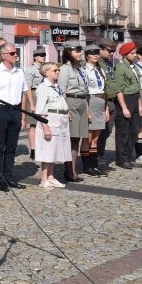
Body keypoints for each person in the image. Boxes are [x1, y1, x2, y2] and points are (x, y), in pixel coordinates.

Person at [0, 42, 28, 192]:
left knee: (11, 147)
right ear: (3, 56)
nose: (16, 55)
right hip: (1, 111)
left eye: (16, 53)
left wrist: (23, 117)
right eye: (12, 53)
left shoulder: (19, 72)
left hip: (15, 110)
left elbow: (24, 95)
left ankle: (9, 177)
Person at [33, 62, 68, 190]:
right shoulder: (43, 88)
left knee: (55, 151)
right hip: (49, 121)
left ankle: (51, 177)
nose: (57, 72)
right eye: (54, 70)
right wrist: (45, 127)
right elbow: (40, 110)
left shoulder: (56, 86)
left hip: (60, 121)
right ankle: (44, 178)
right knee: (47, 151)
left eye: (58, 70)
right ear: (46, 72)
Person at [57, 41, 89, 183]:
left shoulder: (80, 68)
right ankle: (70, 171)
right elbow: (61, 91)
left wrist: (87, 109)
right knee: (72, 139)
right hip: (71, 102)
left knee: (78, 138)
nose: (79, 53)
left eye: (80, 51)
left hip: (82, 102)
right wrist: (65, 109)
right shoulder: (65, 69)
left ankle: (73, 169)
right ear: (68, 52)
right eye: (76, 51)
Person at [112, 41, 142, 169]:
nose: (135, 55)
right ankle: (122, 159)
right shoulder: (120, 68)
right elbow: (118, 90)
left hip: (135, 99)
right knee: (123, 132)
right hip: (125, 99)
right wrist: (124, 107)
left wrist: (140, 105)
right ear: (125, 55)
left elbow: (138, 89)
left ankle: (130, 157)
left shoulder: (134, 67)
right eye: (132, 53)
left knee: (134, 131)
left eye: (135, 53)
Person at [83, 46, 110, 176]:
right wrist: (87, 110)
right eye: (92, 53)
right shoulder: (84, 70)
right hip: (91, 101)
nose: (95, 55)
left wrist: (106, 108)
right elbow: (84, 91)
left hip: (101, 101)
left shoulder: (100, 70)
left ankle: (94, 165)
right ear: (87, 55)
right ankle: (86, 166)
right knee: (88, 137)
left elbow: (105, 90)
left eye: (97, 53)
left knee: (96, 138)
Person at [97, 39, 117, 171]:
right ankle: (98, 159)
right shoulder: (97, 63)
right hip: (103, 101)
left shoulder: (109, 63)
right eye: (109, 50)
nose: (111, 53)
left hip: (112, 101)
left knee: (107, 131)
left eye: (113, 51)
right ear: (101, 49)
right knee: (100, 132)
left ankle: (100, 156)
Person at [25, 47, 47, 160]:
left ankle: (42, 147)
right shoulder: (31, 70)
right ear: (35, 57)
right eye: (41, 55)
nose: (43, 56)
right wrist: (31, 104)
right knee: (33, 124)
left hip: (43, 95)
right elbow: (28, 87)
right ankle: (33, 150)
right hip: (34, 95)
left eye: (44, 55)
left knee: (44, 123)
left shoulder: (44, 68)